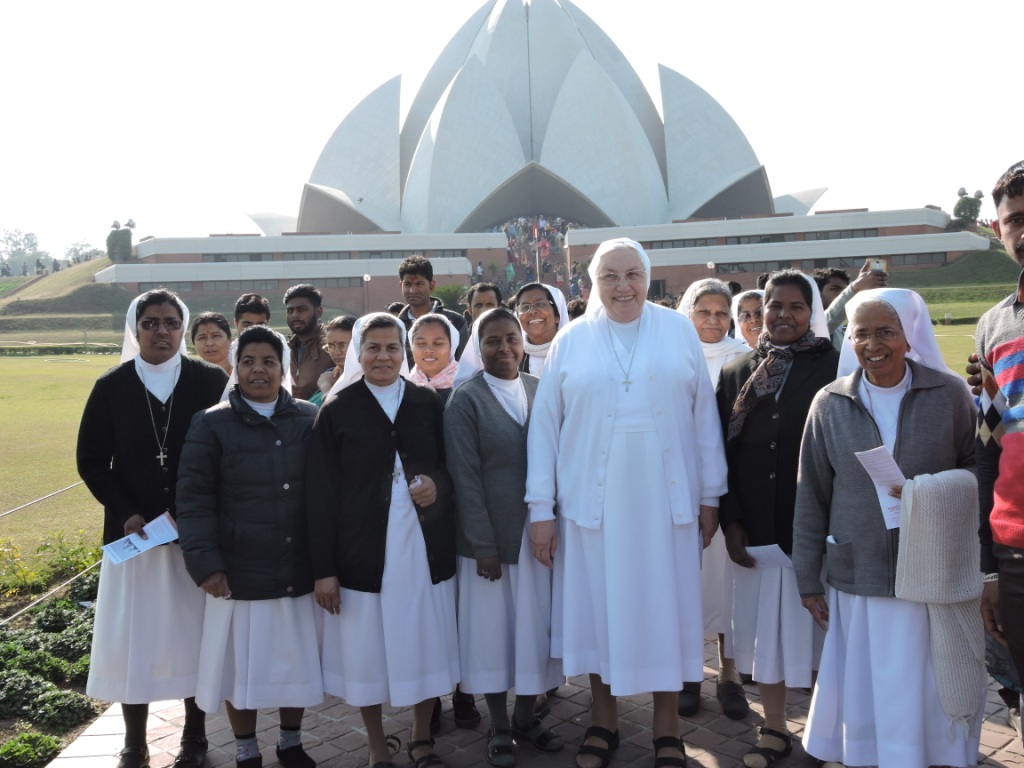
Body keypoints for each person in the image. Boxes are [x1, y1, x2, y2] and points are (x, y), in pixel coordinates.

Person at [526, 238, 727, 768]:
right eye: (610, 275)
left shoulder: (677, 329)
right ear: (594, 281)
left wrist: (710, 495)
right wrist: (540, 509)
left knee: (665, 612)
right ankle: (603, 719)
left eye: (633, 274)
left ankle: (666, 728)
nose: (623, 286)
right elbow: (544, 431)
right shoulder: (571, 340)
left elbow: (704, 419)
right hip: (593, 512)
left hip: (666, 505)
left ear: (648, 276)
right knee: (599, 611)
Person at [793, 289, 983, 768]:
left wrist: (930, 490)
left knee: (923, 675)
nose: (872, 344)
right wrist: (808, 577)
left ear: (909, 336)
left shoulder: (949, 394)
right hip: (860, 569)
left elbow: (979, 472)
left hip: (930, 569)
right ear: (848, 339)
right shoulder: (831, 403)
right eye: (861, 333)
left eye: (886, 332)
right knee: (865, 679)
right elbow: (811, 493)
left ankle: (929, 756)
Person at [77, 290, 228, 768]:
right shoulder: (112, 386)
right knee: (134, 640)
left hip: (196, 534)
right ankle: (135, 742)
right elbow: (92, 461)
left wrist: (198, 509)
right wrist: (126, 512)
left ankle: (196, 738)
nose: (161, 331)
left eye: (170, 322)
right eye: (150, 323)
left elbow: (227, 453)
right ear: (135, 328)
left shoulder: (209, 382)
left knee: (196, 636)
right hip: (135, 538)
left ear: (182, 328)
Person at [307, 312, 460, 768]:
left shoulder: (426, 403)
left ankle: (421, 738)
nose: (383, 356)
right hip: (362, 553)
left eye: (393, 347)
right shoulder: (337, 409)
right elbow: (318, 495)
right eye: (373, 347)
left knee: (425, 640)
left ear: (404, 351)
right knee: (366, 651)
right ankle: (376, 746)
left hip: (422, 547)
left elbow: (449, 469)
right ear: (358, 351)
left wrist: (437, 484)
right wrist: (324, 570)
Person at [177, 326, 322, 768]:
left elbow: (326, 494)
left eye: (269, 362)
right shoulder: (210, 422)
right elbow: (193, 499)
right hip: (237, 571)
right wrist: (206, 565)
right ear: (236, 369)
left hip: (297, 566)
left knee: (292, 664)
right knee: (242, 669)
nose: (259, 370)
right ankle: (245, 748)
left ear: (283, 368)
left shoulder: (309, 419)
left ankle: (291, 742)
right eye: (249, 362)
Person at [716, 270, 838, 768]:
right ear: (760, 309)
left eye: (796, 306)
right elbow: (720, 453)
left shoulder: (834, 366)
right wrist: (732, 520)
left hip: (817, 526)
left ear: (813, 312)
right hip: (758, 527)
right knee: (768, 634)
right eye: (773, 305)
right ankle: (774, 727)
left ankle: (828, 731)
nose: (783, 315)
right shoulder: (736, 370)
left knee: (824, 634)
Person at [445, 307, 564, 767]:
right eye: (492, 340)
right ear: (478, 346)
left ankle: (526, 718)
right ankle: (497, 725)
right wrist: (483, 546)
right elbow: (465, 479)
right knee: (492, 637)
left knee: (532, 632)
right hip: (488, 546)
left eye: (511, 338)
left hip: (536, 540)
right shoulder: (466, 400)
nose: (504, 348)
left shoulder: (540, 390)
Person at [675, 278, 750, 720]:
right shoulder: (674, 357)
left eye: (722, 312)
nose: (713, 319)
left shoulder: (746, 360)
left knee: (727, 582)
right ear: (689, 313)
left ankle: (728, 673)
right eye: (704, 311)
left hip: (731, 488)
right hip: (683, 487)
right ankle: (688, 673)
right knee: (687, 581)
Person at [977, 160, 1024, 697]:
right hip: (1016, 550)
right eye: (1014, 219)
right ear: (998, 229)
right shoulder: (993, 326)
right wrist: (989, 568)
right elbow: (988, 448)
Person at [396, 254, 469, 364]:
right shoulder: (396, 327)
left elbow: (464, 365)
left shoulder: (455, 322)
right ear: (401, 285)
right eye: (407, 284)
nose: (412, 290)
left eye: (419, 284)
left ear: (432, 285)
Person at [813, 261, 888, 349]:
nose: (841, 294)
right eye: (835, 289)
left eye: (844, 291)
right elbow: (825, 323)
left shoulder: (843, 329)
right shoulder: (807, 325)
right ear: (817, 293)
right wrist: (855, 288)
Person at [284, 284, 332, 401]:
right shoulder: (283, 349)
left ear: (318, 311)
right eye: (290, 310)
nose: (295, 315)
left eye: (302, 309)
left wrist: (308, 397)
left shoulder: (332, 347)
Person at [513, 283, 569, 376]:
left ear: (557, 316)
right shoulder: (513, 359)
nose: (532, 311)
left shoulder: (575, 354)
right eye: (525, 307)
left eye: (540, 304)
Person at [409, 314, 460, 405]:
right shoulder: (403, 389)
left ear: (451, 346)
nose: (429, 350)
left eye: (438, 343)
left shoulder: (464, 385)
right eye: (421, 343)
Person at [313, 315, 355, 406]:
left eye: (342, 345)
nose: (336, 352)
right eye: (330, 346)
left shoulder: (367, 380)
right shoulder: (330, 375)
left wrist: (326, 389)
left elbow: (340, 415)